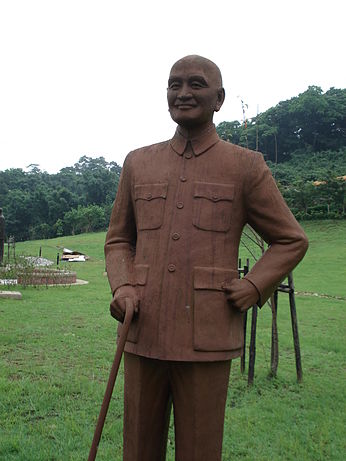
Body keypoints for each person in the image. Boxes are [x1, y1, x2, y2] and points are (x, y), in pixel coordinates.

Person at [104, 55, 308, 461]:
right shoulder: (137, 163)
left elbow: (290, 239)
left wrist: (254, 285)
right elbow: (118, 240)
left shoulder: (245, 166)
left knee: (200, 450)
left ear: (219, 98)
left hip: (207, 337)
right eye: (174, 84)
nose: (183, 93)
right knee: (137, 449)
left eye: (196, 84)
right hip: (142, 330)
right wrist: (123, 285)